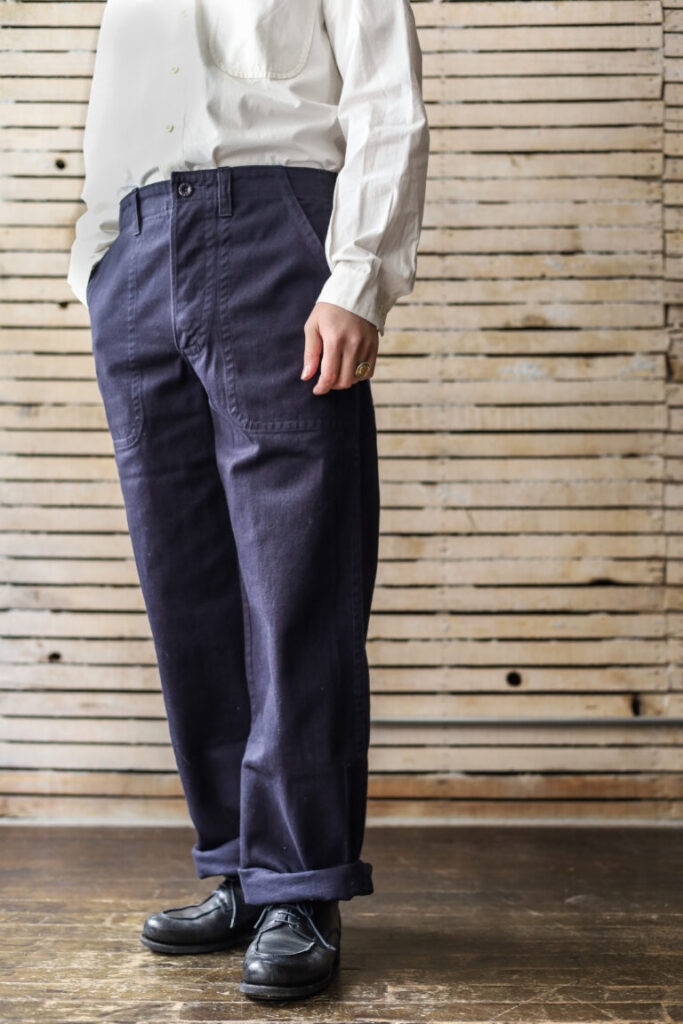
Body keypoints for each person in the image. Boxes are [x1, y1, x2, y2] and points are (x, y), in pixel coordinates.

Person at [67, 0, 429, 1002]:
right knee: (185, 586)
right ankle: (238, 864)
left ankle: (299, 886)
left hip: (275, 230)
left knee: (295, 576)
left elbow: (385, 97)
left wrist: (357, 278)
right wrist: (98, 263)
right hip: (138, 250)